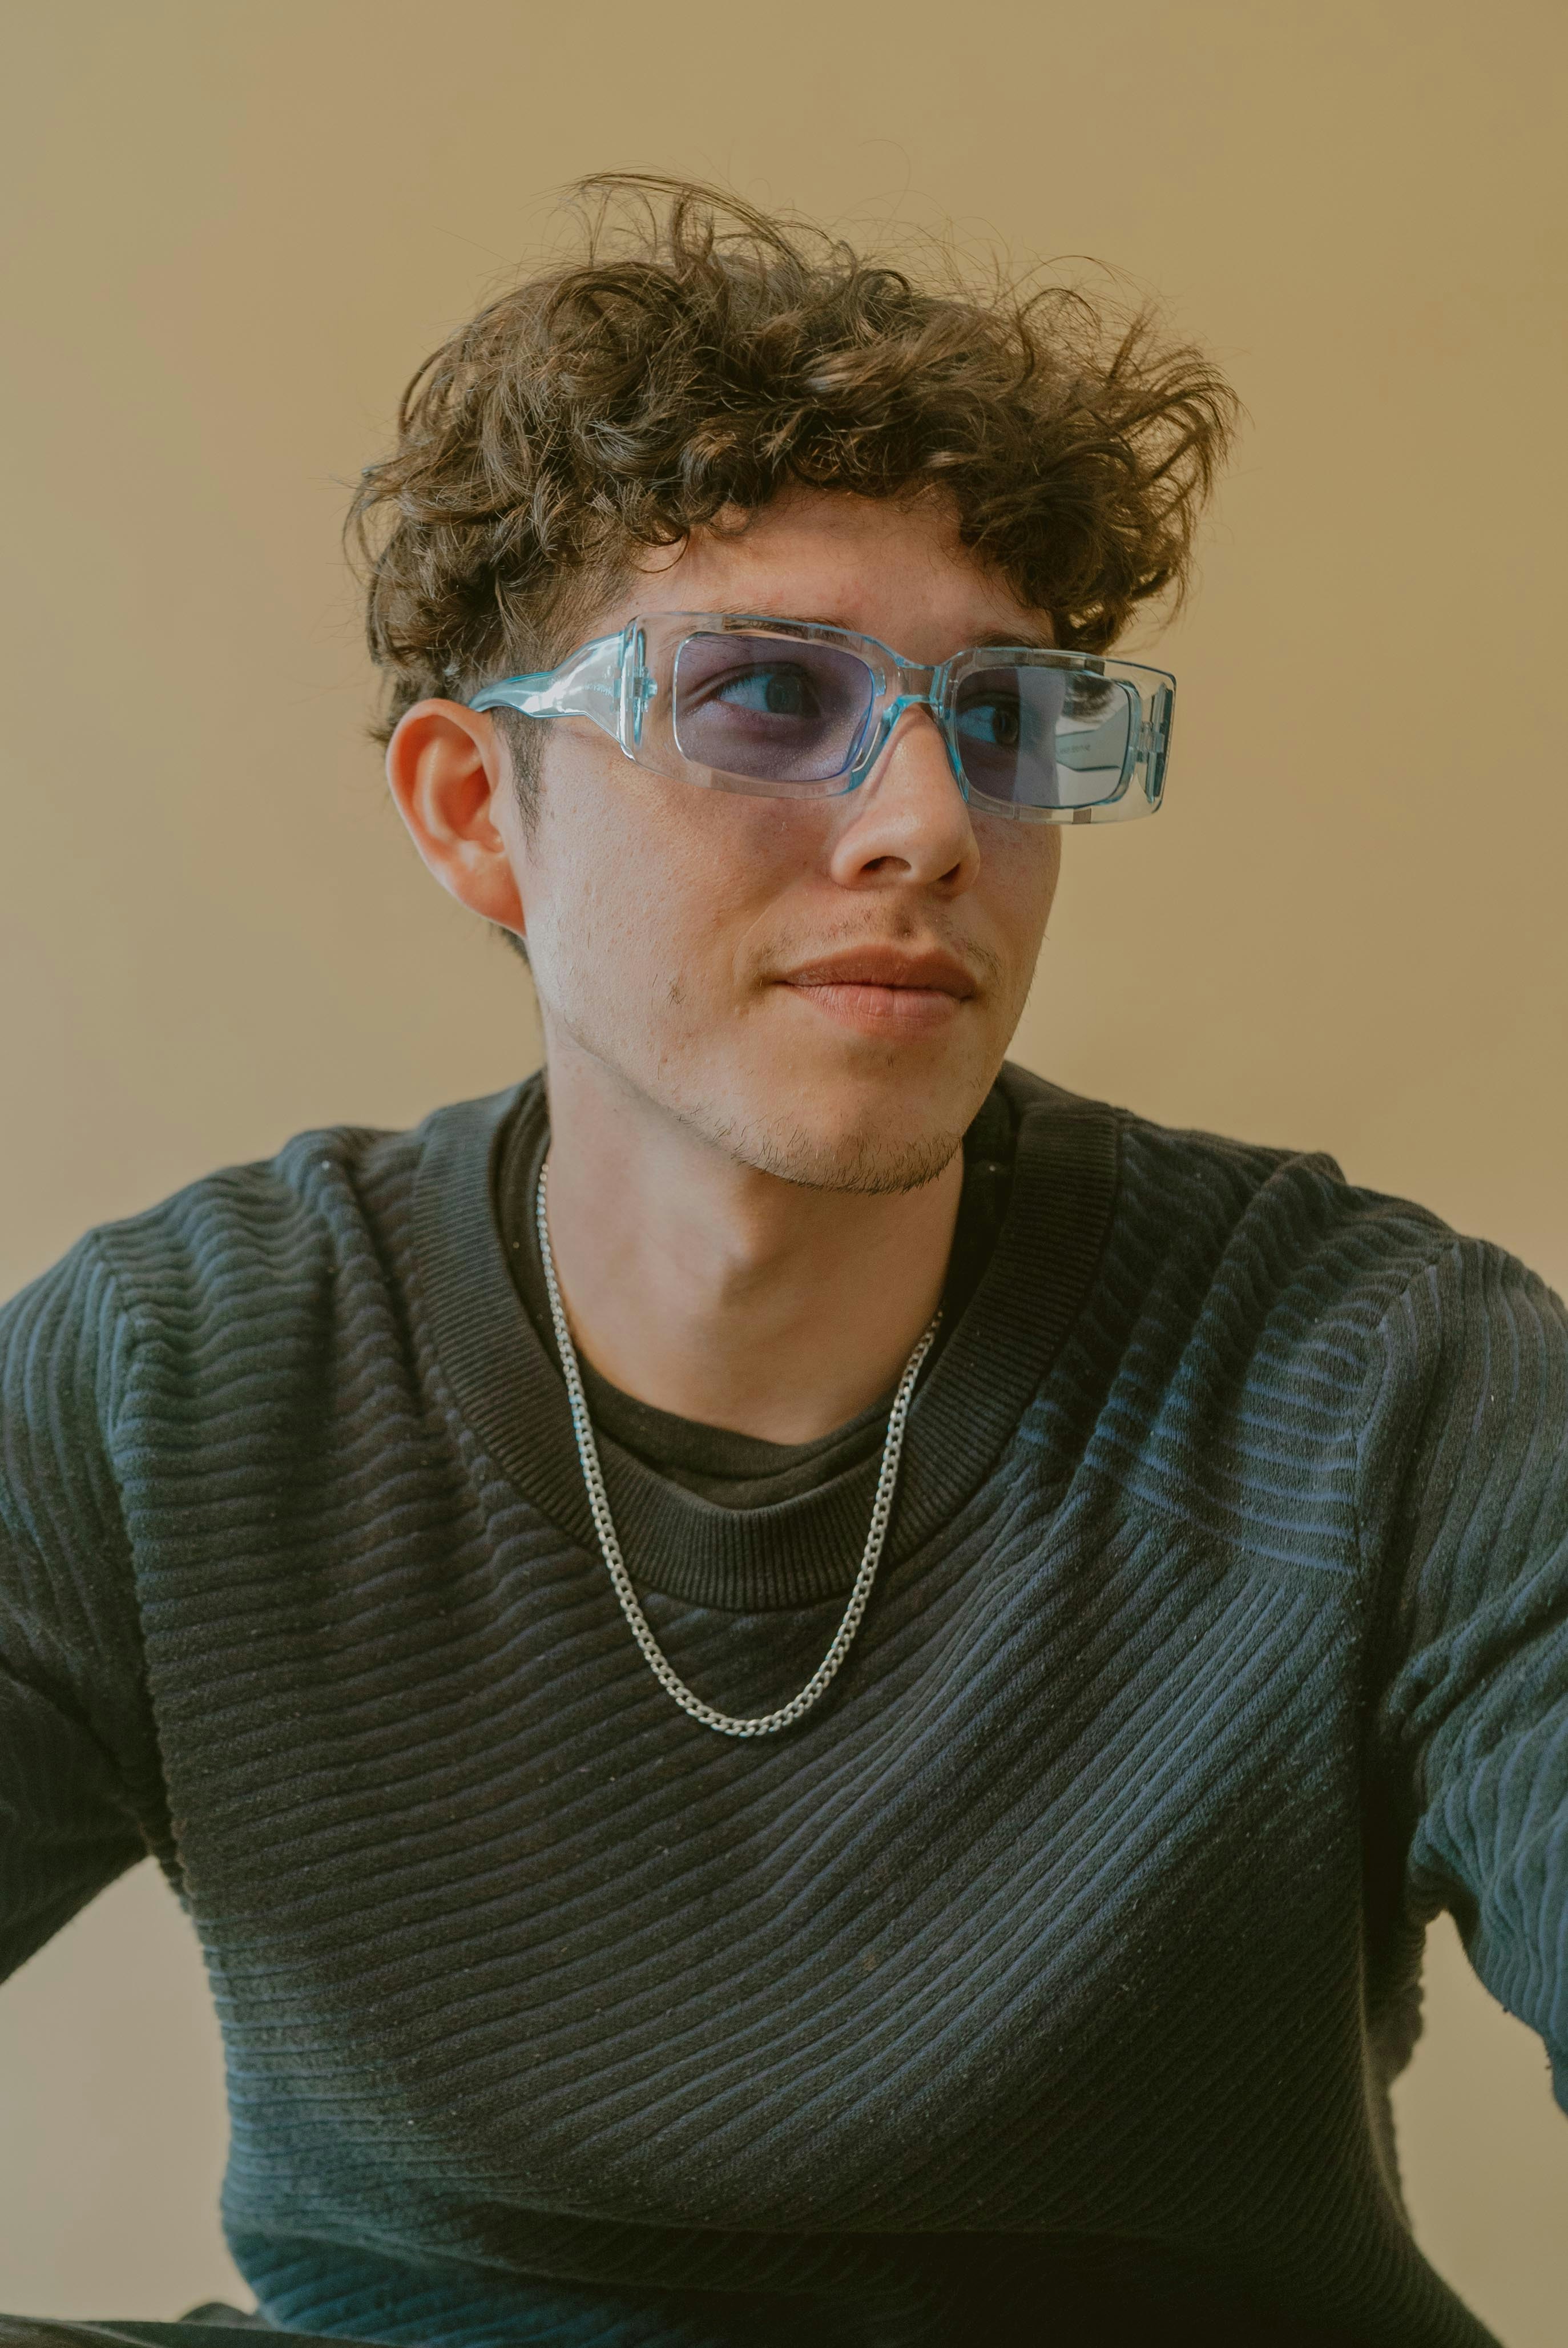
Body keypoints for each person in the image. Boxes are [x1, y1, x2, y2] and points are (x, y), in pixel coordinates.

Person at [1, 174, 1562, 2348]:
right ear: (473, 809)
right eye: (758, 698)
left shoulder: (1375, 1371)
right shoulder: (180, 1376)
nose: (927, 822)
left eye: (1006, 720)